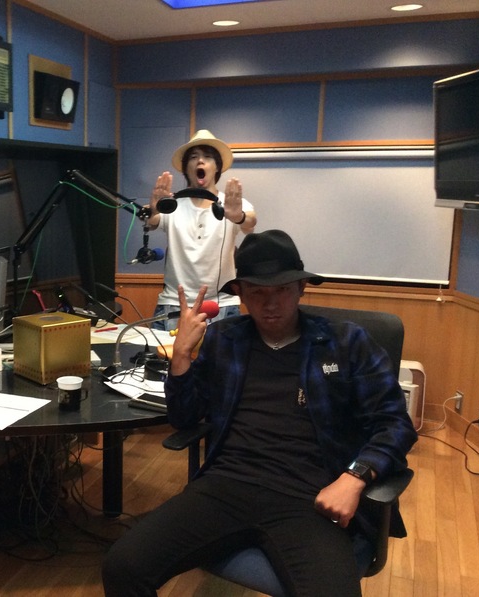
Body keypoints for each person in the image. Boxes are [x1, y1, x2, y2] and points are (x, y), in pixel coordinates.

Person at [102, 230, 418, 596]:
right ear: (240, 294)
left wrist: (354, 477)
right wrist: (182, 356)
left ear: (301, 288)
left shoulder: (346, 343)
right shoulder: (225, 339)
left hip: (309, 498)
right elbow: (185, 419)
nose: (270, 303)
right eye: (257, 292)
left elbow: (395, 424)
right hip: (225, 487)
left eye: (282, 290)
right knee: (122, 567)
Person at [147, 129, 257, 330]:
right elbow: (153, 221)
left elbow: (250, 223)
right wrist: (154, 209)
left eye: (207, 157)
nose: (200, 161)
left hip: (222, 305)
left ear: (217, 167)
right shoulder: (172, 204)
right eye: (194, 157)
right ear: (186, 168)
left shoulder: (231, 204)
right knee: (165, 352)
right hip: (174, 304)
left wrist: (237, 216)